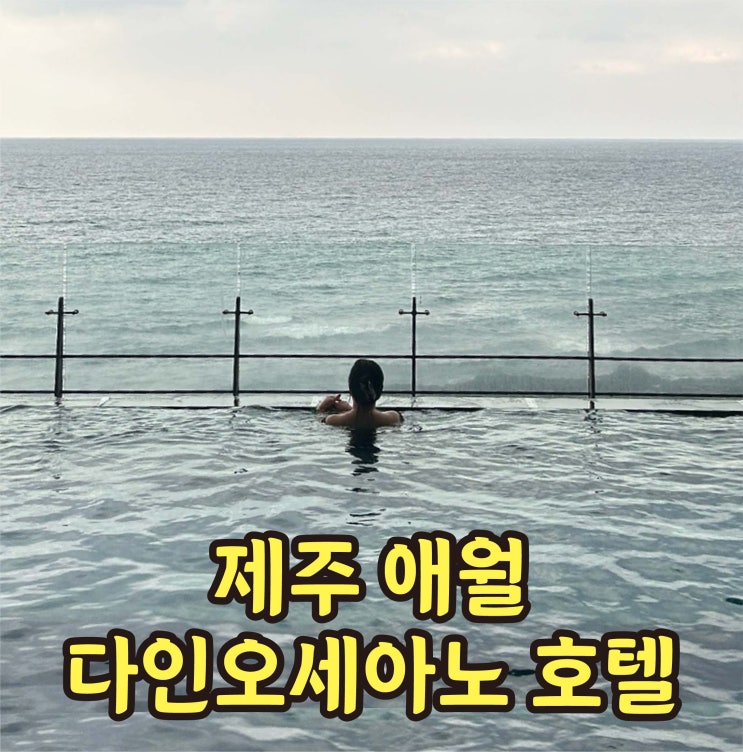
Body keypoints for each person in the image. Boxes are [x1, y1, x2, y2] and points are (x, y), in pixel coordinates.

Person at [317, 359, 403, 428]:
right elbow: (366, 418)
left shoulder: (332, 421)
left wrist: (320, 410)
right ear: (380, 391)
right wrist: (349, 409)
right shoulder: (394, 418)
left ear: (350, 389)